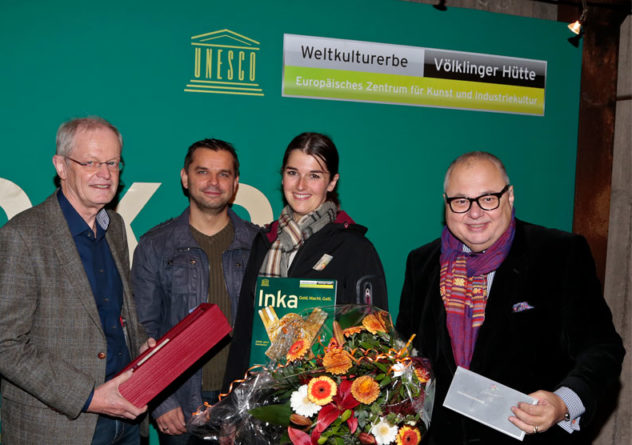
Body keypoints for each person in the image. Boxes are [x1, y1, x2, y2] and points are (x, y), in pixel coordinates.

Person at [396, 151, 625, 445]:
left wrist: (562, 403)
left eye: (488, 198)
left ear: (510, 196)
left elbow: (602, 348)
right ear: (446, 204)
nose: (474, 212)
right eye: (461, 201)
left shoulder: (559, 254)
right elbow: (407, 354)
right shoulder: (422, 263)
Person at [0, 117, 155, 445]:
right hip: (59, 426)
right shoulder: (21, 236)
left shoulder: (115, 226)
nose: (105, 174)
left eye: (112, 162)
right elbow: (4, 345)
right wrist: (88, 397)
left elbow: (114, 314)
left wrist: (142, 344)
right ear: (61, 166)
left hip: (127, 421)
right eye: (90, 162)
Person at [225, 132, 388, 387]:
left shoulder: (354, 248)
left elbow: (371, 342)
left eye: (314, 175)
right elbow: (245, 330)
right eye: (293, 173)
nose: (301, 185)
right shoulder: (265, 241)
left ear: (332, 182)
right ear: (282, 176)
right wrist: (231, 405)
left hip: (323, 403)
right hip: (257, 397)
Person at [131, 138, 258, 445]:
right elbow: (142, 328)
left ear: (236, 183)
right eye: (203, 172)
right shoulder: (155, 245)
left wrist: (256, 403)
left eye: (224, 174)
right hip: (180, 403)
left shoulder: (260, 244)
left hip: (245, 401)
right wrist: (160, 399)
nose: (213, 182)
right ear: (185, 178)